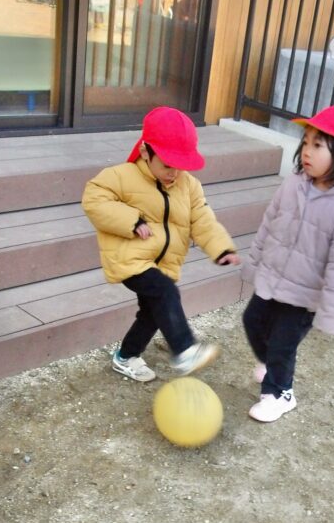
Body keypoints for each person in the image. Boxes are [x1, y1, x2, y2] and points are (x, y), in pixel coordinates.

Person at [82, 106, 239, 382]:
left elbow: (202, 219)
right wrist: (132, 220)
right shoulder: (121, 176)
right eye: (167, 165)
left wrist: (220, 247)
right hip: (130, 259)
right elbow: (93, 199)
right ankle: (185, 350)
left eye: (180, 165)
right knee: (165, 292)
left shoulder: (189, 186)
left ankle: (126, 356)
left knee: (152, 313)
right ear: (146, 152)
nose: (174, 173)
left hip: (162, 262)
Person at [241, 105, 334, 422]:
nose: (307, 151)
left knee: (283, 344)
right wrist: (254, 264)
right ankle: (271, 363)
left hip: (304, 295)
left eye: (318, 144)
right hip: (273, 278)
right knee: (252, 320)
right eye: (306, 142)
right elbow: (269, 224)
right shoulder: (294, 183)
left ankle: (280, 393)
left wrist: (332, 311)